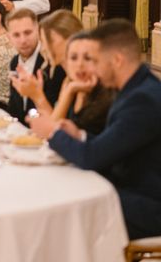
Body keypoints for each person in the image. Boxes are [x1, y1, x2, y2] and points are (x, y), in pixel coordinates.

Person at [29, 19, 161, 240]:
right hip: (133, 189)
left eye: (96, 60)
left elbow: (92, 157)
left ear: (117, 60)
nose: (94, 69)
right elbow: (112, 144)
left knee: (58, 209)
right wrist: (78, 134)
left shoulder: (142, 99)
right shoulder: (137, 87)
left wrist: (52, 132)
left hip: (148, 207)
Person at [10, 9, 80, 115]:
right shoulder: (68, 81)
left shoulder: (80, 81)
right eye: (42, 41)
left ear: (70, 39)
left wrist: (37, 96)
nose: (43, 49)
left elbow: (59, 127)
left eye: (49, 40)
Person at [45, 31, 115, 135]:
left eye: (87, 58)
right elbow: (50, 131)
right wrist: (69, 90)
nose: (80, 64)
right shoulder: (73, 86)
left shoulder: (107, 98)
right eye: (73, 58)